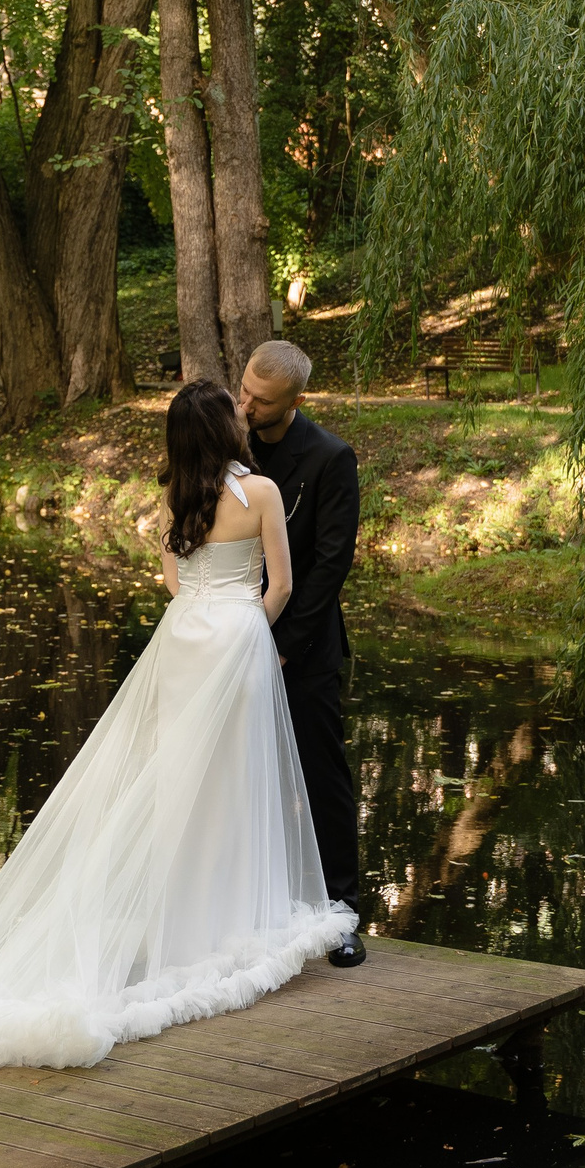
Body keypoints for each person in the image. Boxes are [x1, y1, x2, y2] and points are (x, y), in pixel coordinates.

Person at [0, 380, 354, 1099]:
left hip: (185, 641)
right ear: (226, 430)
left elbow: (173, 584)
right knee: (234, 784)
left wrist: (209, 611)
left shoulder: (174, 498)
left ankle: (180, 920)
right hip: (238, 638)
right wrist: (248, 633)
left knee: (176, 784)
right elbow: (285, 587)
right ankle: (223, 919)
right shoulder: (262, 490)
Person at [236, 339, 366, 967]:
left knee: (321, 778)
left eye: (259, 402)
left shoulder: (330, 459)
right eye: (243, 391)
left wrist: (282, 648)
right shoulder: (228, 447)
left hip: (304, 652)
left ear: (294, 402)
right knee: (240, 779)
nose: (245, 406)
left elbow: (328, 566)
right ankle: (255, 913)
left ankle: (341, 914)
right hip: (229, 643)